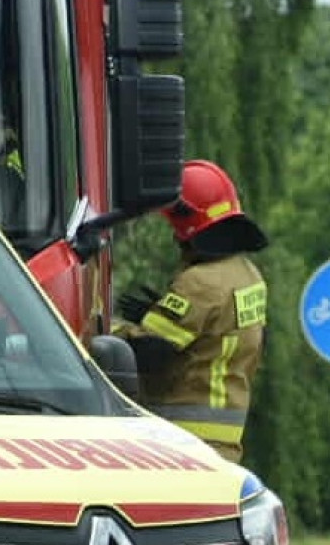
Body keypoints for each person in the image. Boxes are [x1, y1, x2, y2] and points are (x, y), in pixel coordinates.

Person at [113, 160, 269, 462]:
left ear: (189, 224)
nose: (175, 237)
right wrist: (160, 312)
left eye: (176, 227)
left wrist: (109, 334)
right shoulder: (249, 276)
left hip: (182, 445)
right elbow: (219, 332)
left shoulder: (200, 283)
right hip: (223, 446)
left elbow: (151, 354)